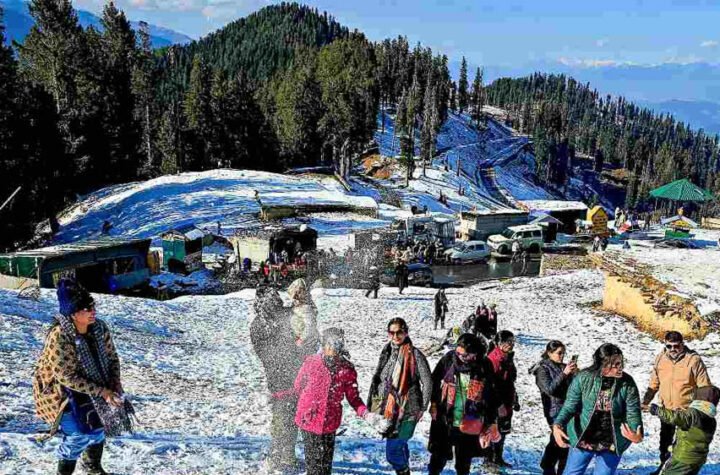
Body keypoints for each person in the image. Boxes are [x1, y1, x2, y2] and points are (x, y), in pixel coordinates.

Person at [33, 278, 134, 475]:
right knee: (78, 434)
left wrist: (115, 382)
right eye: (87, 309)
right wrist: (102, 391)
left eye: (93, 306)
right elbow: (66, 376)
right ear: (73, 313)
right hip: (61, 393)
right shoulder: (60, 336)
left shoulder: (99, 328)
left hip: (96, 385)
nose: (92, 311)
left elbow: (112, 358)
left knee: (98, 427)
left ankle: (92, 467)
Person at [294, 328, 388, 475]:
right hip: (309, 420)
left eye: (336, 344)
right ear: (323, 344)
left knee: (325, 466)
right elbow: (298, 386)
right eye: (329, 343)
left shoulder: (347, 369)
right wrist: (306, 403)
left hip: (330, 422)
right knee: (313, 467)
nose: (332, 347)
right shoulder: (311, 362)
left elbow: (354, 398)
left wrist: (367, 414)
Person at [553, 343, 644, 475]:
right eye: (615, 364)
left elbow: (633, 412)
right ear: (602, 364)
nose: (620, 367)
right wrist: (557, 425)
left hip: (612, 439)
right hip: (584, 435)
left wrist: (637, 433)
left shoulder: (627, 383)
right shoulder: (583, 377)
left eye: (621, 363)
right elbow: (570, 406)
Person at [427, 334, 501, 475]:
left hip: (470, 421)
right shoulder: (449, 359)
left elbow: (491, 395)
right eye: (458, 353)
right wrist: (434, 403)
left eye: (465, 355)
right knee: (438, 458)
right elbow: (434, 380)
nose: (460, 357)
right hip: (446, 417)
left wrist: (492, 421)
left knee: (463, 463)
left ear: (475, 353)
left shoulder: (484, 365)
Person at [250, 286, 305, 473]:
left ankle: (287, 455)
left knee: (290, 416)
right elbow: (266, 354)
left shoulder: (284, 315)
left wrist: (302, 299)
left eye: (276, 297)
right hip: (279, 378)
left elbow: (304, 315)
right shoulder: (260, 325)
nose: (276, 301)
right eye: (272, 299)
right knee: (282, 417)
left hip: (294, 375)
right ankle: (277, 456)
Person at [367, 318, 433, 475]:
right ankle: (404, 468)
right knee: (400, 445)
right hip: (389, 409)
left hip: (408, 410)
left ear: (406, 332)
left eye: (399, 332)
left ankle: (403, 471)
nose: (395, 336)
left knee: (392, 452)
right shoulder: (387, 351)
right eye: (392, 332)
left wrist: (423, 407)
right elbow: (380, 378)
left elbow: (428, 382)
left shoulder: (415, 355)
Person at [641, 331, 712, 474]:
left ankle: (683, 470)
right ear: (665, 345)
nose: (672, 349)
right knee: (665, 443)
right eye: (669, 346)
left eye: (676, 346)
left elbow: (704, 386)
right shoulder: (660, 358)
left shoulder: (693, 360)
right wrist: (646, 401)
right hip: (666, 410)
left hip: (686, 412)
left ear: (682, 344)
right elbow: (654, 383)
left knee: (683, 446)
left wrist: (701, 411)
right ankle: (663, 468)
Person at [530, 340, 578, 475]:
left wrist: (575, 374)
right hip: (554, 409)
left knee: (562, 440)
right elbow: (549, 389)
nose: (562, 356)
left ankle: (554, 466)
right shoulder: (542, 369)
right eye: (559, 353)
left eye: (563, 353)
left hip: (567, 407)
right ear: (549, 353)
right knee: (560, 440)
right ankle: (549, 466)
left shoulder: (562, 366)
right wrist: (564, 374)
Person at [648, 385, 719, 475]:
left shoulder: (694, 413)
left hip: (683, 458)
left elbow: (677, 417)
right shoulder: (712, 420)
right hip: (698, 459)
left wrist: (658, 410)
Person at [487, 330, 519, 467]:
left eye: (512, 341)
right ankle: (490, 459)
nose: (510, 344)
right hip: (496, 402)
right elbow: (491, 385)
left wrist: (515, 398)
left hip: (507, 400)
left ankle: (497, 458)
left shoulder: (507, 357)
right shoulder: (494, 359)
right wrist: (498, 404)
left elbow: (510, 381)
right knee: (495, 430)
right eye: (507, 342)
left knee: (503, 431)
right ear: (498, 343)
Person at [287, 278, 320, 352]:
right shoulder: (296, 307)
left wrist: (301, 340)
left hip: (307, 345)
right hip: (299, 342)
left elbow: (310, 326)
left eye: (299, 292)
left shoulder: (305, 309)